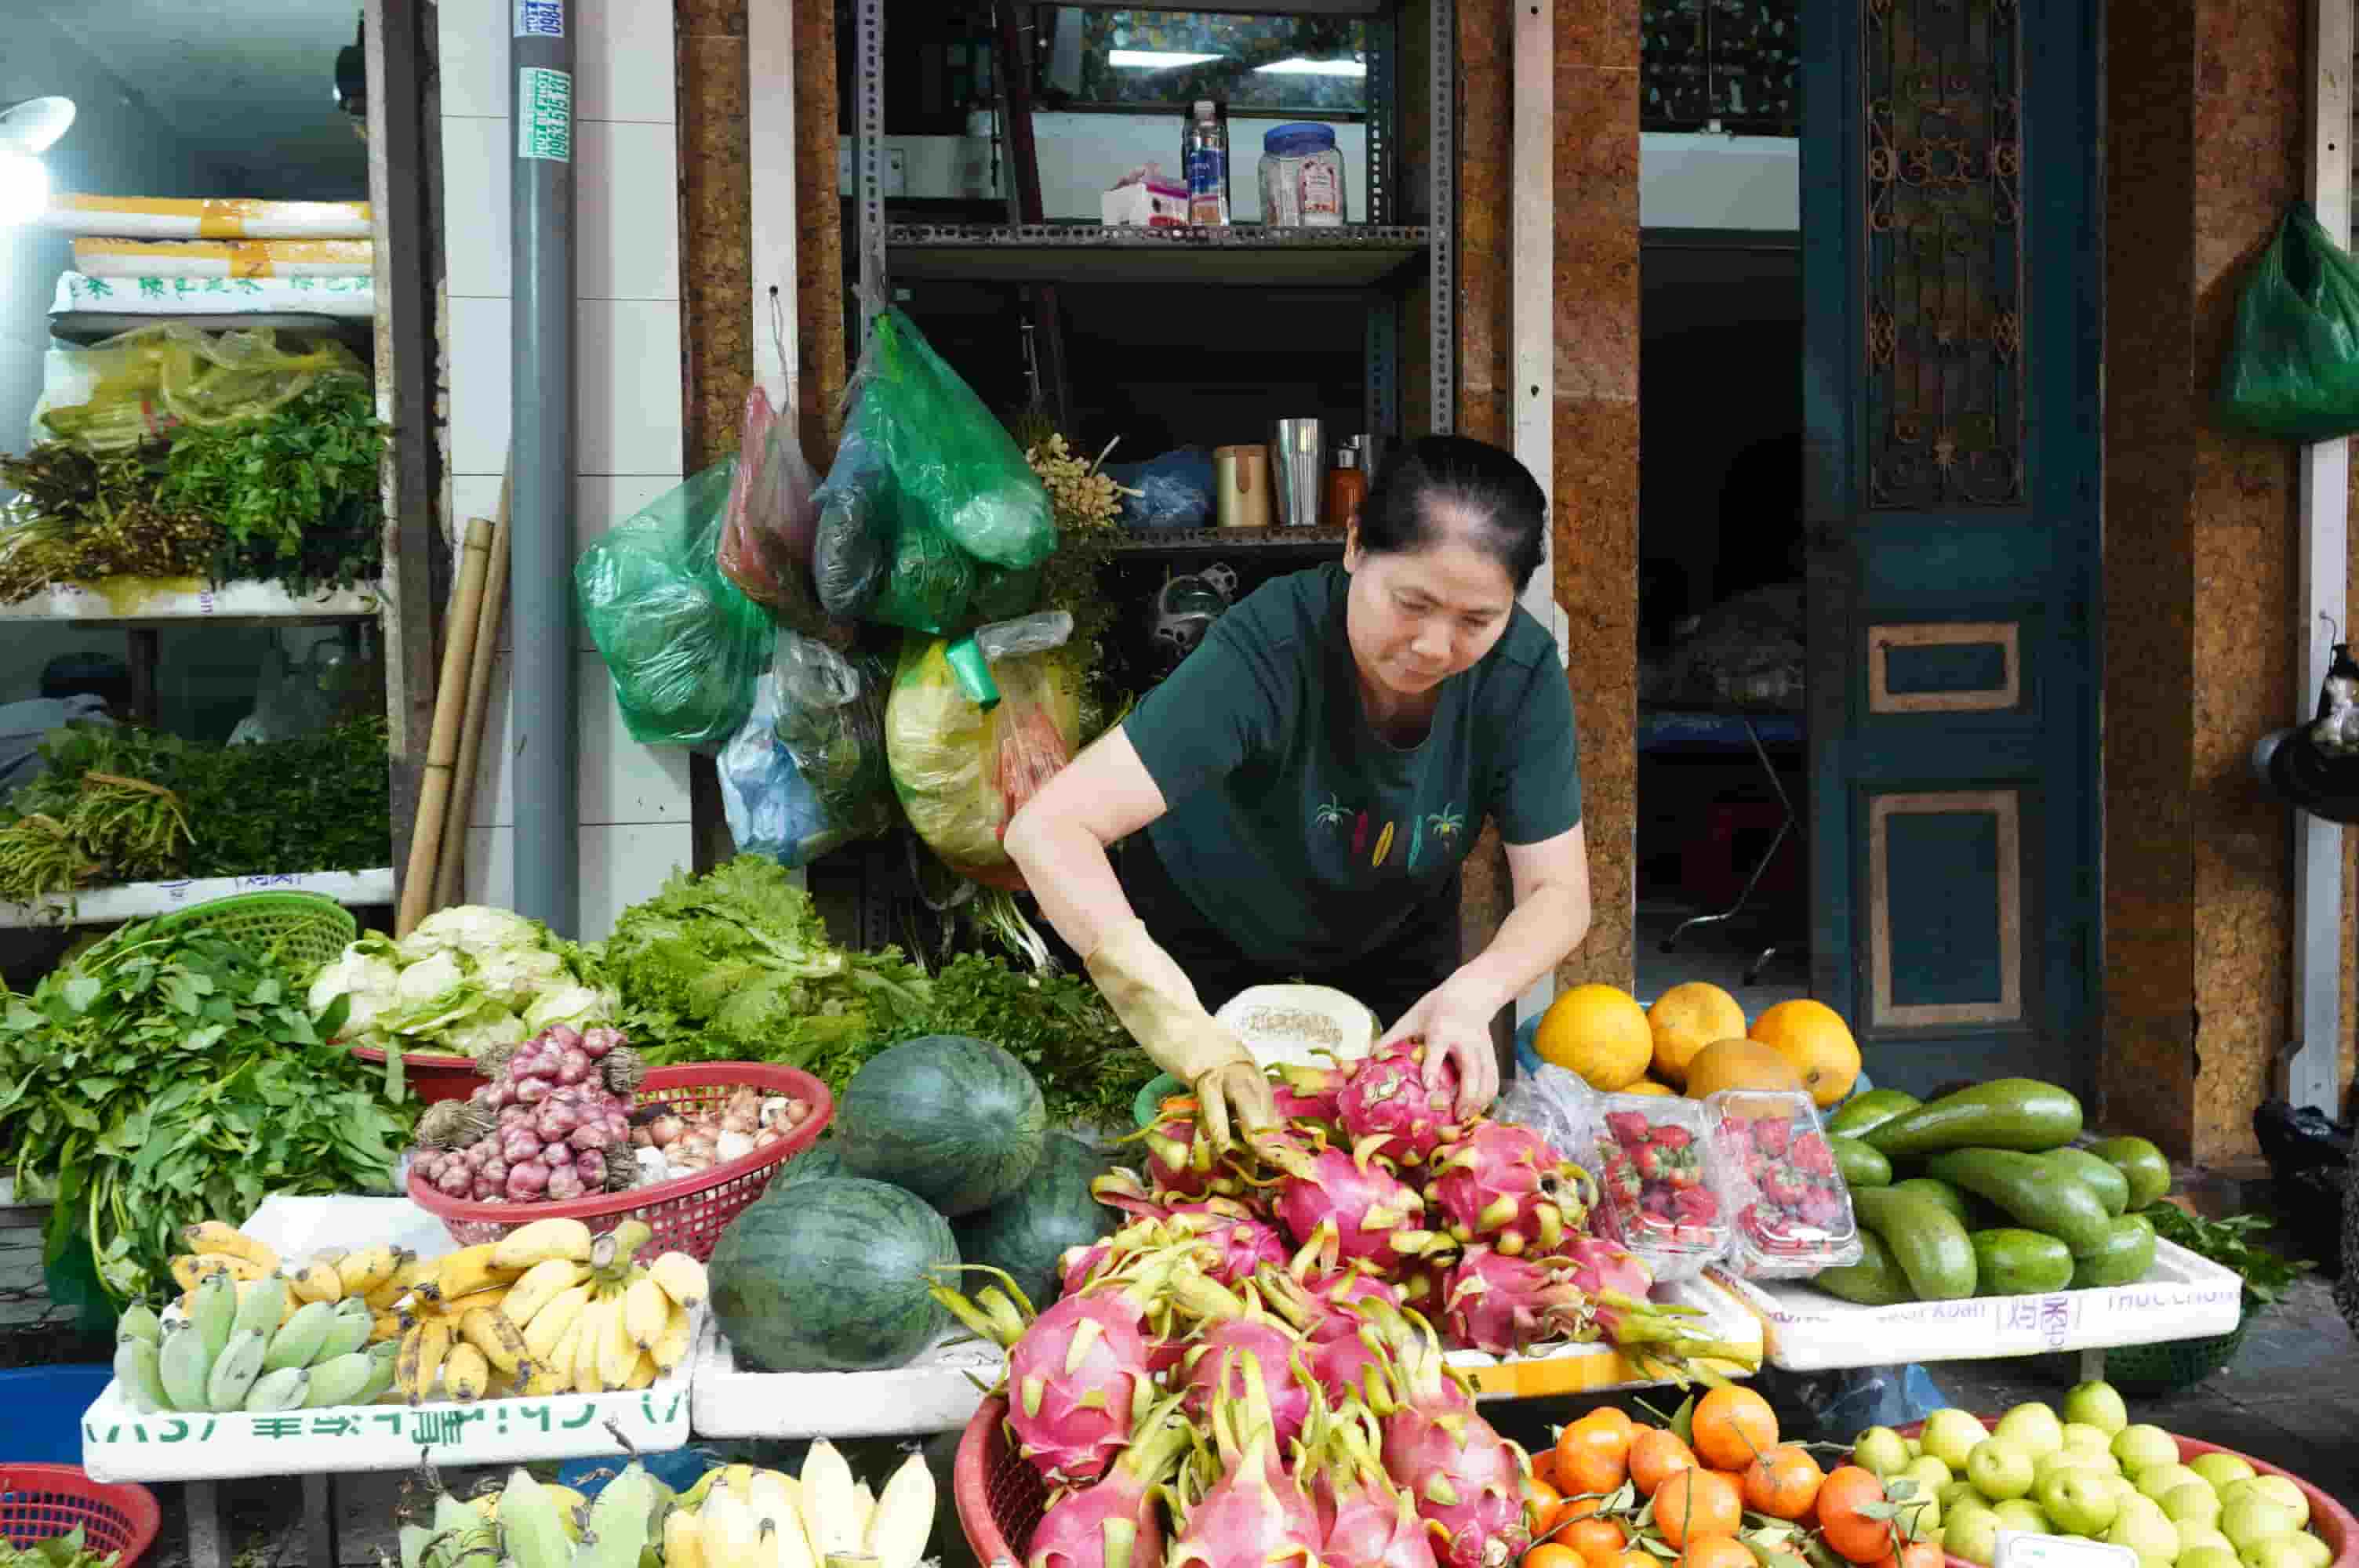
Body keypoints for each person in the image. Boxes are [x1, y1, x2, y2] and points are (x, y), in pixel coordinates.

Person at [1004, 434, 1592, 1149]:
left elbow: (1558, 893)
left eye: (1477, 621)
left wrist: (1475, 993)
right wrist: (1184, 1031)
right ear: (1354, 549)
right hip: (1204, 948)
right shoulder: (1269, 645)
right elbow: (1049, 831)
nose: (1435, 646)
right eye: (1411, 602)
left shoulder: (1521, 675)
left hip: (1394, 956)